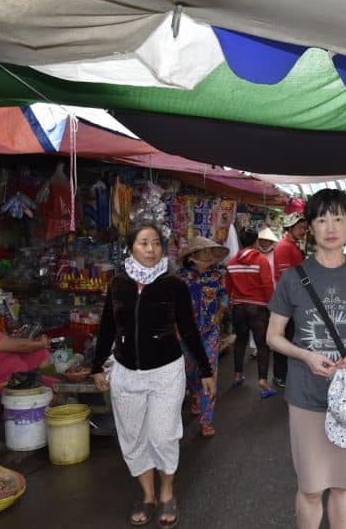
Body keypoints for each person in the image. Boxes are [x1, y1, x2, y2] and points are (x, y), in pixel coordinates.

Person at [266, 189, 346, 529]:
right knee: (311, 488)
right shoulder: (293, 279)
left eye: (338, 219)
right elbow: (273, 336)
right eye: (322, 219)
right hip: (307, 397)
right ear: (310, 228)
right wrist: (304, 355)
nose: (330, 227)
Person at [92, 221, 214, 528]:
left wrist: (205, 369)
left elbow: (188, 329)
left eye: (156, 243)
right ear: (131, 247)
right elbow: (108, 325)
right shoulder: (118, 283)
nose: (151, 249)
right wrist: (96, 366)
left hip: (165, 373)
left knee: (162, 435)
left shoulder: (174, 284)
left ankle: (167, 493)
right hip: (126, 373)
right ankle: (147, 495)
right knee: (133, 438)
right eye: (144, 243)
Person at [175, 236, 230, 439]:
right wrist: (174, 326)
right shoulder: (180, 277)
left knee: (210, 374)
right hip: (185, 335)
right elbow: (171, 304)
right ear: (194, 255)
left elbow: (224, 295)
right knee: (188, 371)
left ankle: (206, 420)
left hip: (209, 333)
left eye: (211, 252)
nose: (209, 255)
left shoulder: (217, 276)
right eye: (205, 251)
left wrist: (220, 312)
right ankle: (196, 393)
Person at [225, 226, 276, 398]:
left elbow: (228, 289)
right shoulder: (261, 260)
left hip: (239, 308)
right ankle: (262, 381)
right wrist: (272, 306)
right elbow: (268, 286)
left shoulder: (231, 262)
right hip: (258, 308)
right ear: (256, 241)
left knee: (240, 342)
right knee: (262, 344)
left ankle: (237, 375)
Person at [271, 212, 307, 388]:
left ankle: (287, 373)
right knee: (283, 338)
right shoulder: (284, 247)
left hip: (294, 298)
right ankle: (280, 375)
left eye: (304, 227)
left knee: (292, 337)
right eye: (300, 227)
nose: (303, 231)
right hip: (288, 299)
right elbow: (287, 277)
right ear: (290, 228)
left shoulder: (293, 246)